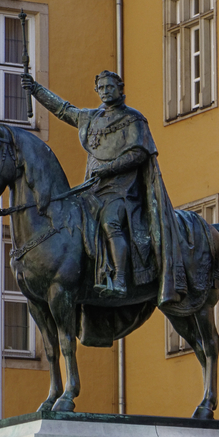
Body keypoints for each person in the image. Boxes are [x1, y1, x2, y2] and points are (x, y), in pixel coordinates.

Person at [21, 70, 185, 305]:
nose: (106, 91)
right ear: (96, 91)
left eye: (110, 86)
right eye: (102, 87)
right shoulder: (90, 118)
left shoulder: (133, 119)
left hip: (123, 191)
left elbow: (139, 153)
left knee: (110, 222)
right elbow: (62, 109)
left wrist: (109, 169)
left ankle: (118, 278)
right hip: (92, 189)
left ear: (121, 89)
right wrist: (35, 89)